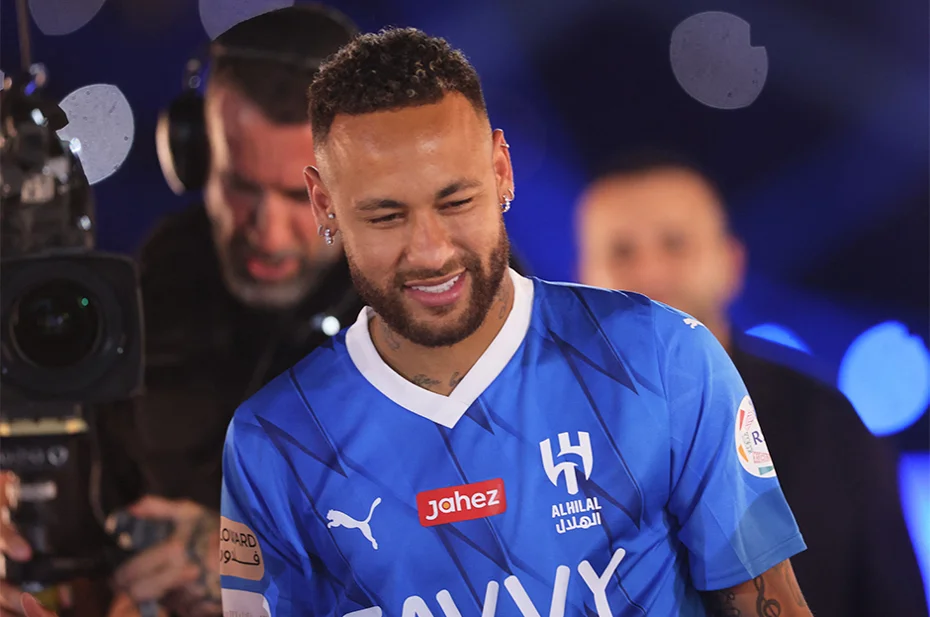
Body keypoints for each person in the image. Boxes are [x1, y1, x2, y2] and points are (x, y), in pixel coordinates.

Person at [215, 27, 815, 616]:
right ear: (324, 204)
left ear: (501, 169)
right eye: (386, 216)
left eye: (456, 202)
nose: (430, 251)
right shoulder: (273, 442)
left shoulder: (664, 356)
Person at [1, 5, 364, 617]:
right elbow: (92, 519)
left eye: (305, 196)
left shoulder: (442, 300)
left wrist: (266, 567)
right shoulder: (156, 285)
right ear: (194, 154)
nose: (269, 231)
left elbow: (486, 536)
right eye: (240, 185)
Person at [575, 150, 928, 617]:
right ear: (581, 278)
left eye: (675, 244)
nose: (649, 274)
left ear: (731, 263)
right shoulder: (545, 430)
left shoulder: (829, 424)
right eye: (621, 251)